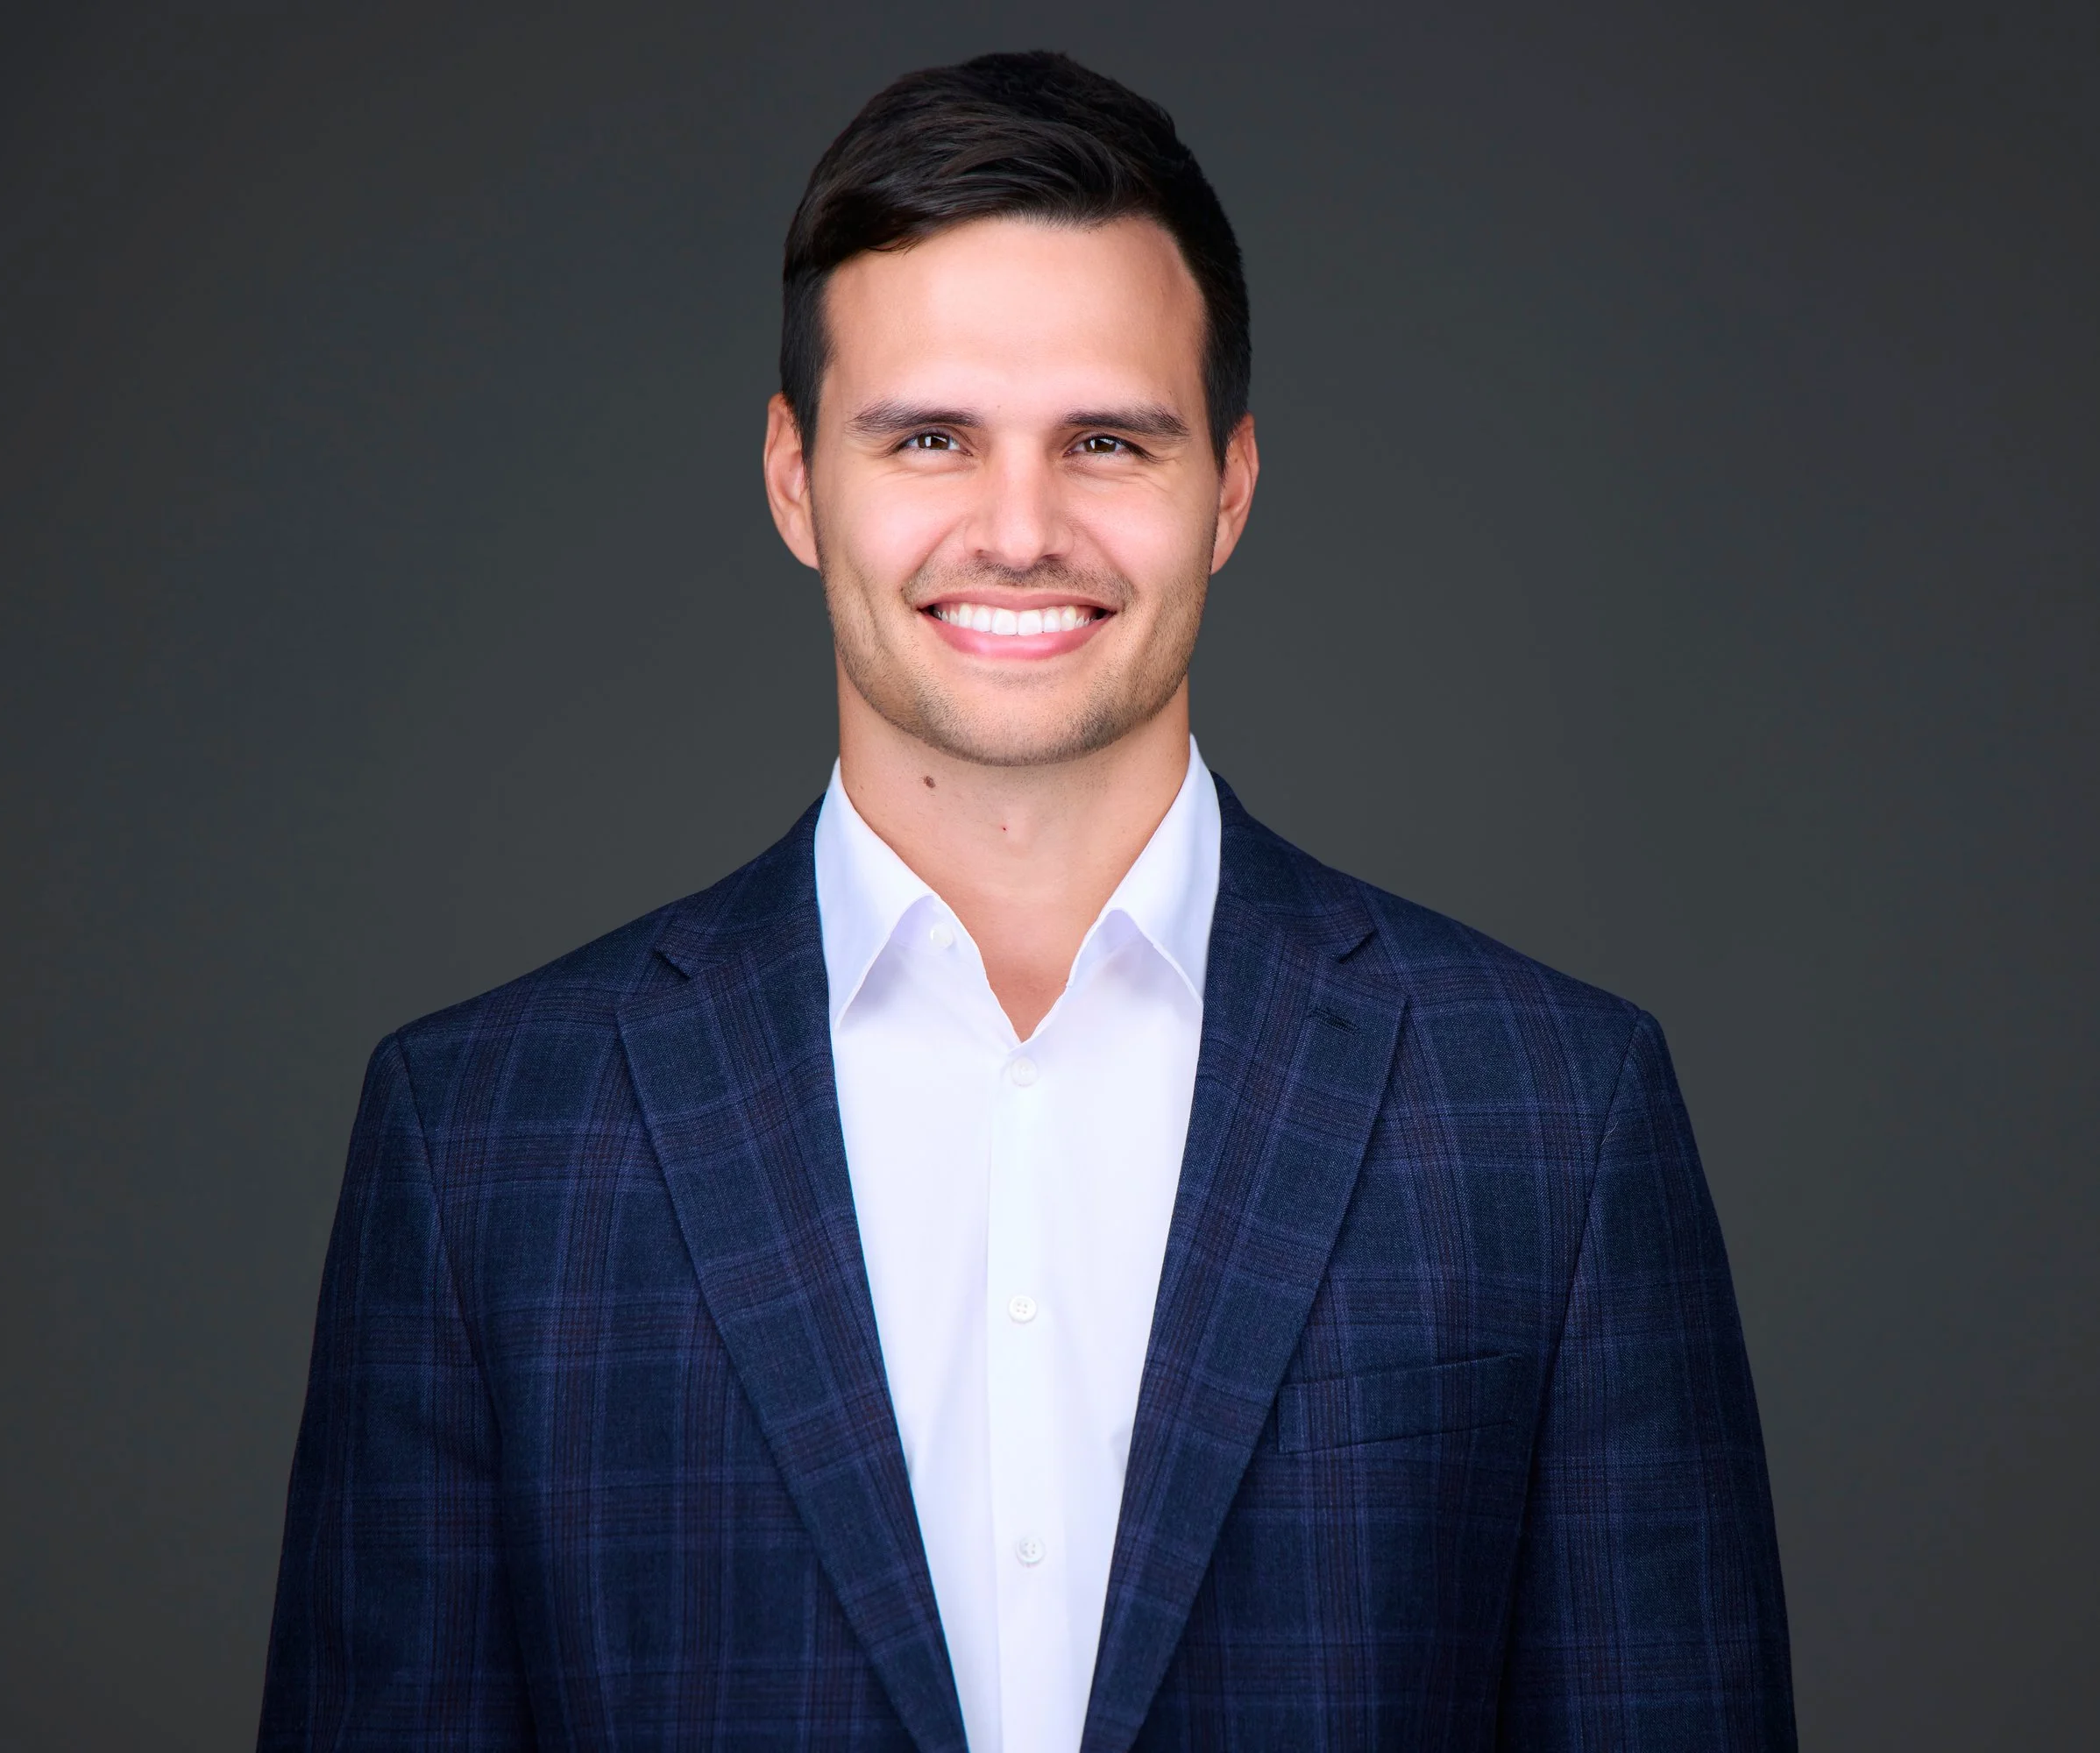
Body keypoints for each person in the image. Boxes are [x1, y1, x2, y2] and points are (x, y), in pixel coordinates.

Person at [259, 50, 1795, 1752]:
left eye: (1105, 440)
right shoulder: (484, 1142)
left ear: (1226, 485)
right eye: (927, 437)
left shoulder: (1547, 1117)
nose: (1016, 527)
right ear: (793, 481)